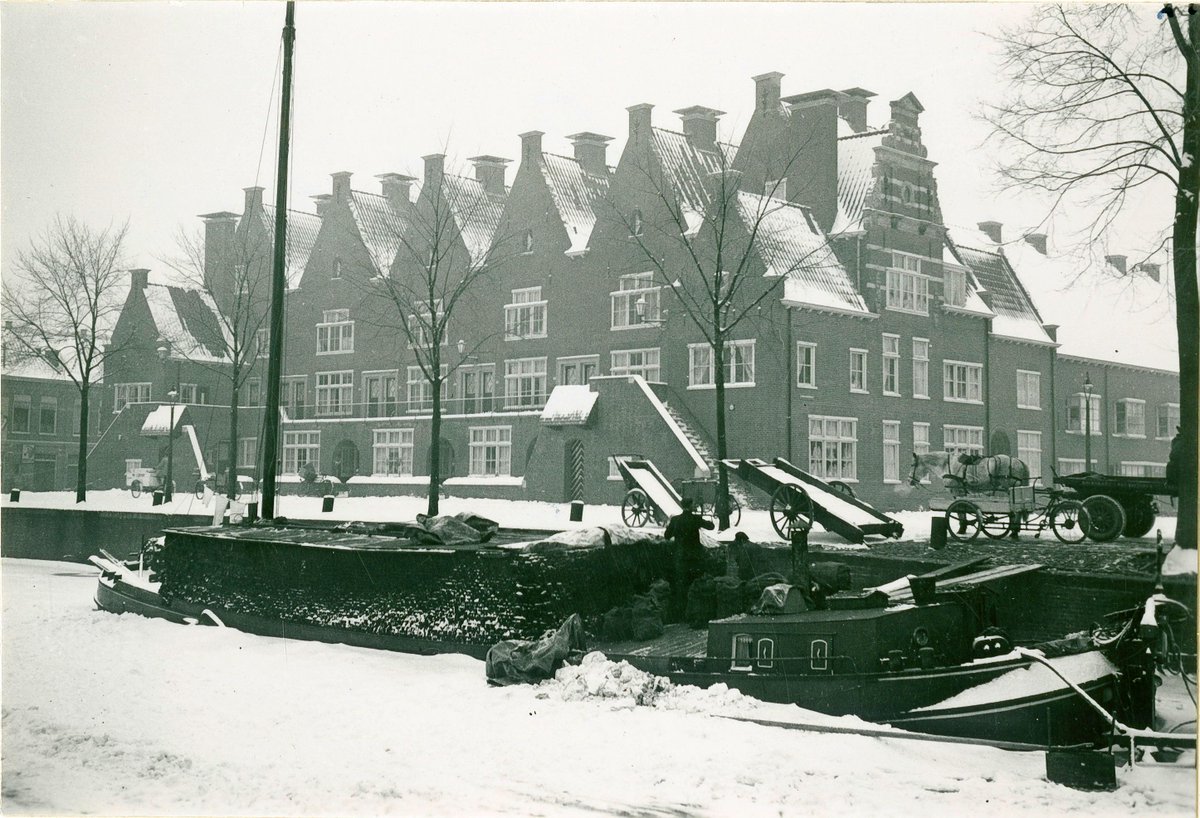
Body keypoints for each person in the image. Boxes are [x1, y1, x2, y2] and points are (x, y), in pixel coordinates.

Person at [664, 497, 714, 619]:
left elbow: (666, 536)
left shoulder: (675, 520)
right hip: (695, 558)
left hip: (680, 558)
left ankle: (681, 614)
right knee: (695, 585)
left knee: (681, 585)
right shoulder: (695, 519)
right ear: (690, 506)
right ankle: (695, 613)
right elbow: (711, 526)